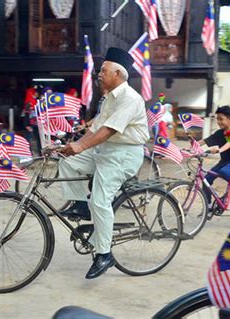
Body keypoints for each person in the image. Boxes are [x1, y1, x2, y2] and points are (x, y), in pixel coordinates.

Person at [58, 47, 149, 279]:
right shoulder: (109, 98)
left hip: (124, 154)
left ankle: (104, 254)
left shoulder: (130, 99)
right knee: (68, 161)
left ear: (117, 74)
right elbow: (97, 128)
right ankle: (80, 204)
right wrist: (75, 145)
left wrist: (80, 145)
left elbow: (108, 130)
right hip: (106, 149)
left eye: (103, 70)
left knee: (100, 200)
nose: (99, 74)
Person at [198, 106, 230, 205]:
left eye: (221, 119)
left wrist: (219, 150)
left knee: (224, 172)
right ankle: (208, 206)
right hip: (224, 162)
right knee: (206, 180)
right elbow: (205, 140)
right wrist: (191, 146)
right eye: (217, 119)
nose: (218, 122)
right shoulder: (219, 133)